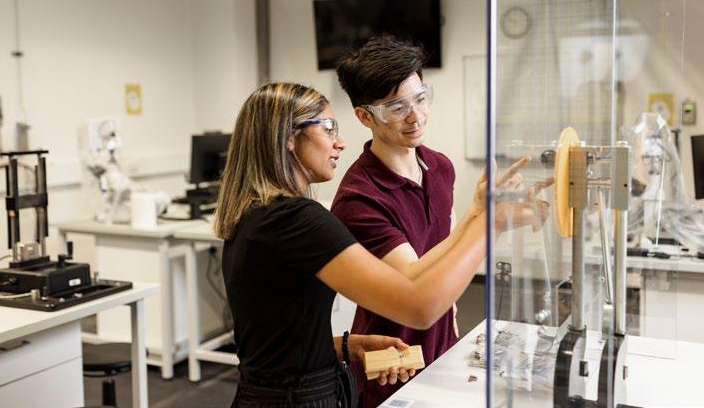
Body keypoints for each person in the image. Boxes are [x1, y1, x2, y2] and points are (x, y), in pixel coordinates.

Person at [214, 82, 547, 407]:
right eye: (328, 128)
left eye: (420, 99)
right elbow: (420, 305)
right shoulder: (296, 219)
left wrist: (349, 346)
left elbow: (275, 341)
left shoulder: (258, 213)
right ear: (288, 137)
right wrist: (492, 223)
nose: (340, 142)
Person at [332, 35, 548, 407]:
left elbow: (443, 252)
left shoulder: (440, 167)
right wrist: (483, 218)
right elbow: (409, 278)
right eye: (397, 107)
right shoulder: (359, 198)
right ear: (365, 117)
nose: (416, 116)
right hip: (393, 359)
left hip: (443, 342)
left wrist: (450, 309)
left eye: (420, 98)